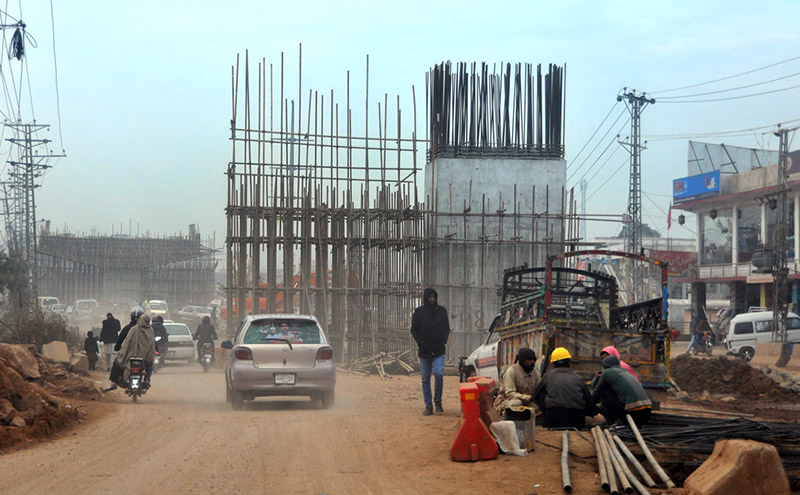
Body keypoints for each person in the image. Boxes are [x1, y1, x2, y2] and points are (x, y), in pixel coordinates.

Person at [533, 347, 598, 429]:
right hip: (576, 420)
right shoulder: (577, 378)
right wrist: (592, 412)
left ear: (553, 363)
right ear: (568, 362)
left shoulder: (547, 376)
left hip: (553, 419)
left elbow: (535, 395)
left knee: (541, 392)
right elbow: (588, 399)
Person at [410, 287, 450, 416]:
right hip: (425, 350)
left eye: (434, 297)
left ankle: (438, 401)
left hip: (438, 349)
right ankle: (428, 406)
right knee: (425, 379)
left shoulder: (442, 311)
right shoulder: (419, 312)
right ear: (426, 298)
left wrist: (443, 340)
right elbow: (414, 329)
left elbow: (446, 328)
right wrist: (420, 342)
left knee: (438, 374)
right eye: (430, 297)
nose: (432, 299)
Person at [591, 355, 652, 427]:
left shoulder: (607, 373)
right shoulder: (624, 371)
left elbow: (596, 392)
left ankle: (612, 421)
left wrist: (590, 407)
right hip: (647, 412)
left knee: (603, 390)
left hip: (632, 415)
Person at [106, 314, 156, 391]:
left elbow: (127, 343)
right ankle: (147, 380)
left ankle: (113, 382)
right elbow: (152, 344)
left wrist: (122, 351)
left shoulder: (133, 329)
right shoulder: (151, 330)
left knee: (117, 362)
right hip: (145, 357)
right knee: (150, 363)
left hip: (130, 356)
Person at [494, 347, 540, 417]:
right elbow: (510, 394)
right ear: (522, 360)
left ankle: (526, 417)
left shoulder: (535, 373)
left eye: (534, 360)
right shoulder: (511, 371)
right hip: (509, 401)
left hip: (527, 404)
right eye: (529, 360)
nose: (532, 362)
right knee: (516, 404)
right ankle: (506, 415)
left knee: (539, 406)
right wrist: (527, 398)